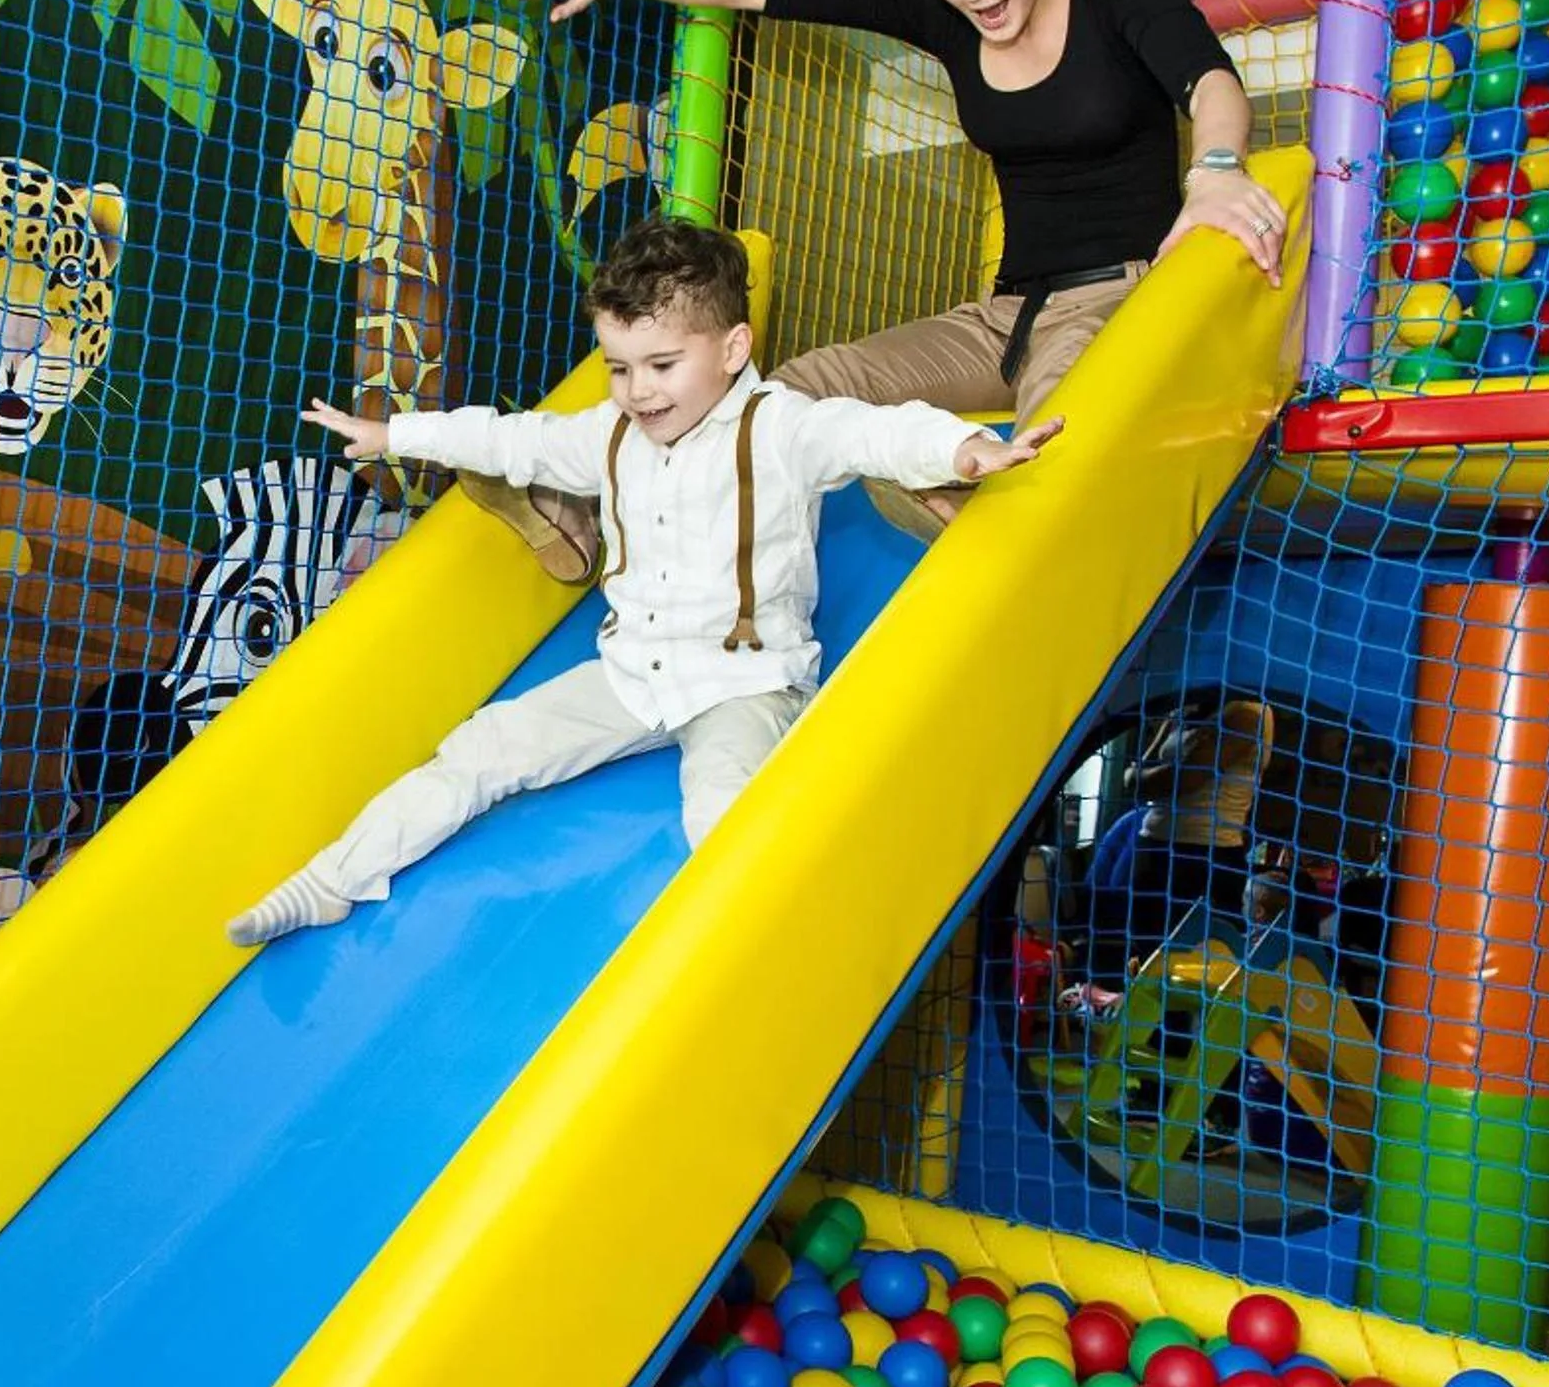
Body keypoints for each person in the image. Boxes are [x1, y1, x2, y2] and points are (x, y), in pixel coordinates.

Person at [225, 216, 1058, 947]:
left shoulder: (779, 427)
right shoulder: (613, 434)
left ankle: (774, 942)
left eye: (661, 365)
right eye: (620, 368)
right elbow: (517, 440)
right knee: (481, 750)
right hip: (633, 675)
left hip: (744, 681)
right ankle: (334, 880)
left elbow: (870, 431)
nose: (638, 391)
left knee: (721, 811)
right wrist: (395, 431)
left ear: (733, 350)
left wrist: (961, 450)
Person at [502, 0, 1281, 543]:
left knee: (1061, 438)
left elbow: (1208, 79)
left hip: (1116, 300)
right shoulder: (946, 9)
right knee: (795, 388)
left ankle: (966, 498)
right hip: (1005, 316)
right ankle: (592, 501)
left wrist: (1215, 170)